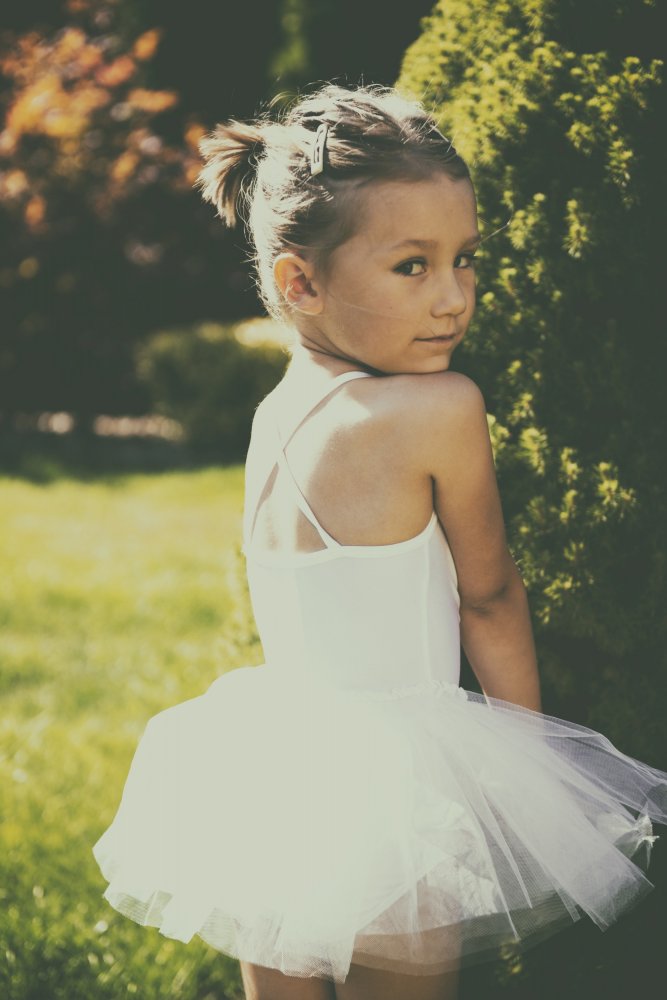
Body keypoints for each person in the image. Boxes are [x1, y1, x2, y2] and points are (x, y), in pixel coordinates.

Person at [92, 83, 667, 1000]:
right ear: (300, 282)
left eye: (464, 260)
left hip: (268, 777)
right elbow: (488, 596)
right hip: (397, 800)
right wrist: (526, 770)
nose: (453, 298)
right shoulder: (436, 408)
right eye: (412, 267)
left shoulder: (276, 412)